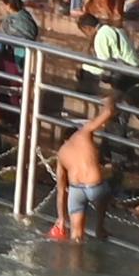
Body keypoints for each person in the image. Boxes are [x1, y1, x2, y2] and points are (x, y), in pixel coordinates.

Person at [49, 97, 115, 242]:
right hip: (94, 186)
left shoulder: (61, 153)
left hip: (75, 191)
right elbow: (108, 112)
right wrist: (108, 101)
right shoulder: (84, 133)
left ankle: (74, 260)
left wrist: (61, 218)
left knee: (76, 236)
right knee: (106, 192)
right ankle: (99, 227)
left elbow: (61, 191)